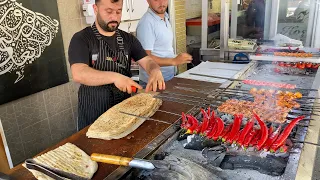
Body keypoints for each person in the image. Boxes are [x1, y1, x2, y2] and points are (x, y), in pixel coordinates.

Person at [68, 0, 165, 131]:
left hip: (124, 112)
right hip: (94, 114)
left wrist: (154, 70)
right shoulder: (82, 39)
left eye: (118, 11)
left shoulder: (128, 39)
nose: (114, 17)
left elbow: (147, 61)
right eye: (108, 11)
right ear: (95, 9)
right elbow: (79, 73)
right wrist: (116, 77)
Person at [136, 0, 193, 88]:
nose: (161, 3)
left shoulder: (165, 17)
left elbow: (163, 49)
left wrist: (176, 58)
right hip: (153, 83)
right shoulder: (146, 23)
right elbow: (144, 57)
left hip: (168, 77)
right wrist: (173, 61)